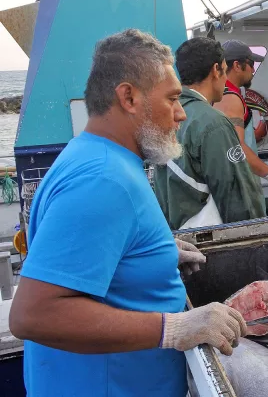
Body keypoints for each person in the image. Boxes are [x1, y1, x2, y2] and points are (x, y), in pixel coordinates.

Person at [9, 29, 246, 397]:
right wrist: (175, 328)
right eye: (171, 99)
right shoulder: (103, 181)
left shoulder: (98, 156)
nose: (181, 112)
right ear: (129, 97)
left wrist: (152, 255)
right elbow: (33, 315)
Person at [153, 37, 268, 229]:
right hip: (211, 241)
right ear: (216, 70)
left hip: (177, 236)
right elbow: (237, 196)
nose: (225, 78)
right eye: (224, 70)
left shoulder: (169, 115)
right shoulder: (214, 123)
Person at [213, 39, 268, 204]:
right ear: (237, 66)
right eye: (251, 64)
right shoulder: (229, 97)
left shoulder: (228, 93)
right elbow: (236, 146)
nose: (253, 70)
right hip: (238, 186)